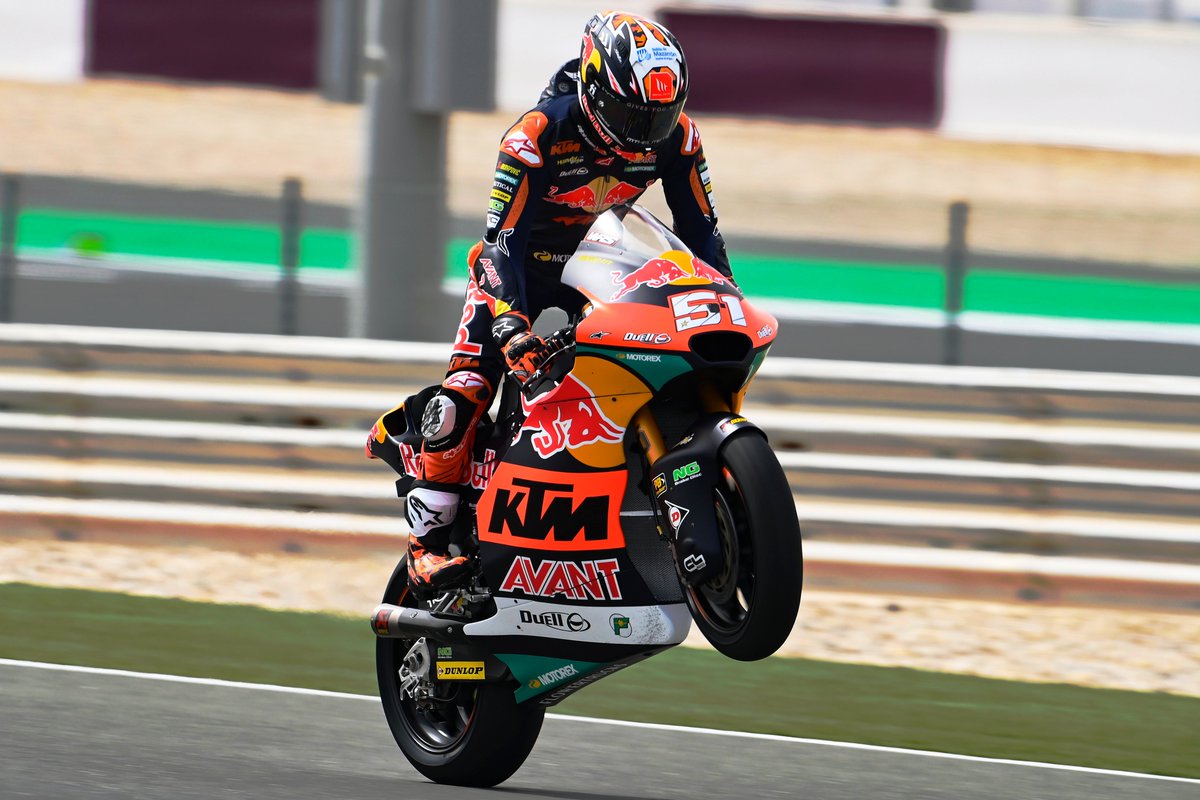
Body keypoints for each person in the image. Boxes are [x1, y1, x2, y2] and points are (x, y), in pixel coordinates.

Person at [402, 11, 733, 590]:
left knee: (653, 354)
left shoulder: (679, 137)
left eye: (659, 116)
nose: (646, 132)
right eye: (633, 115)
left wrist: (724, 298)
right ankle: (425, 545)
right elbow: (501, 243)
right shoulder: (534, 136)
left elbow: (701, 232)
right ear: (595, 90)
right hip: (520, 269)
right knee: (464, 395)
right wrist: (510, 326)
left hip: (601, 263)